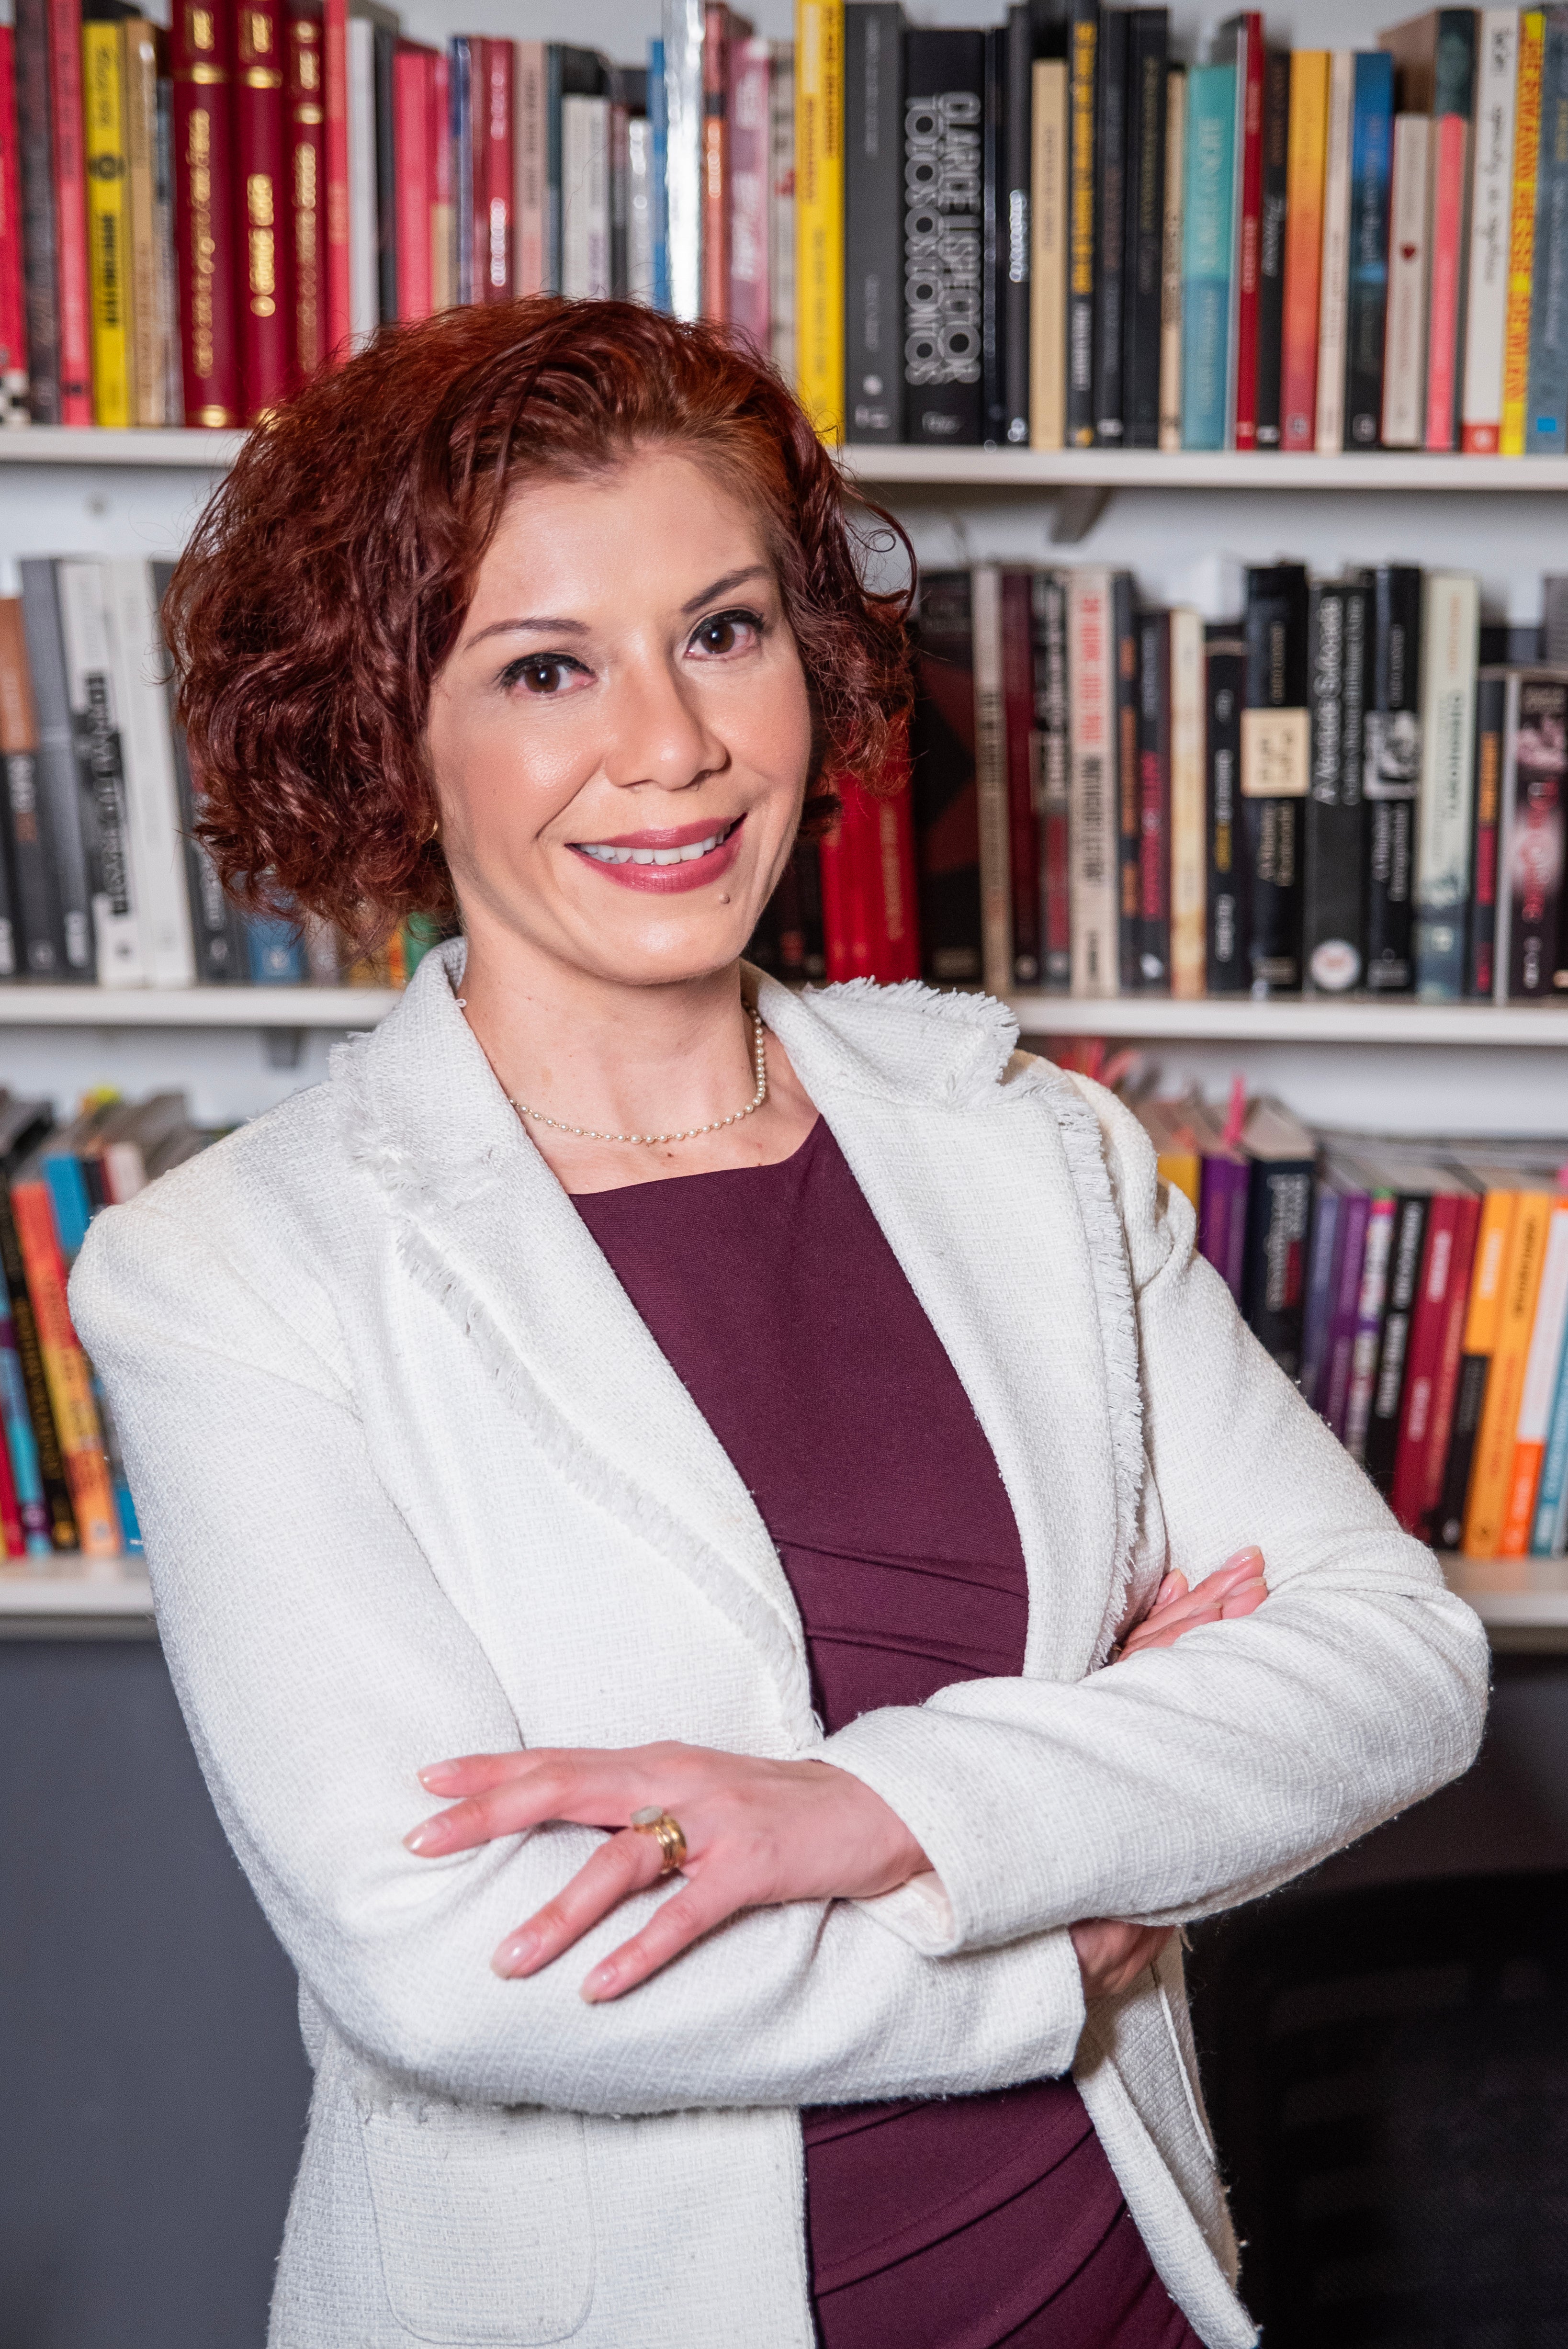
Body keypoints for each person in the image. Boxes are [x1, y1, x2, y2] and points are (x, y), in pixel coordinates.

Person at [70, 299, 1488, 2349]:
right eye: (546, 667)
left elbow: (1390, 1663)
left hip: (1115, 2294)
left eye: (722, 632)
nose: (675, 747)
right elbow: (456, 1960)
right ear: (388, 731)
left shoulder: (1030, 1143)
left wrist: (877, 1810)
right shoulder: (233, 1269)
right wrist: (1055, 1924)